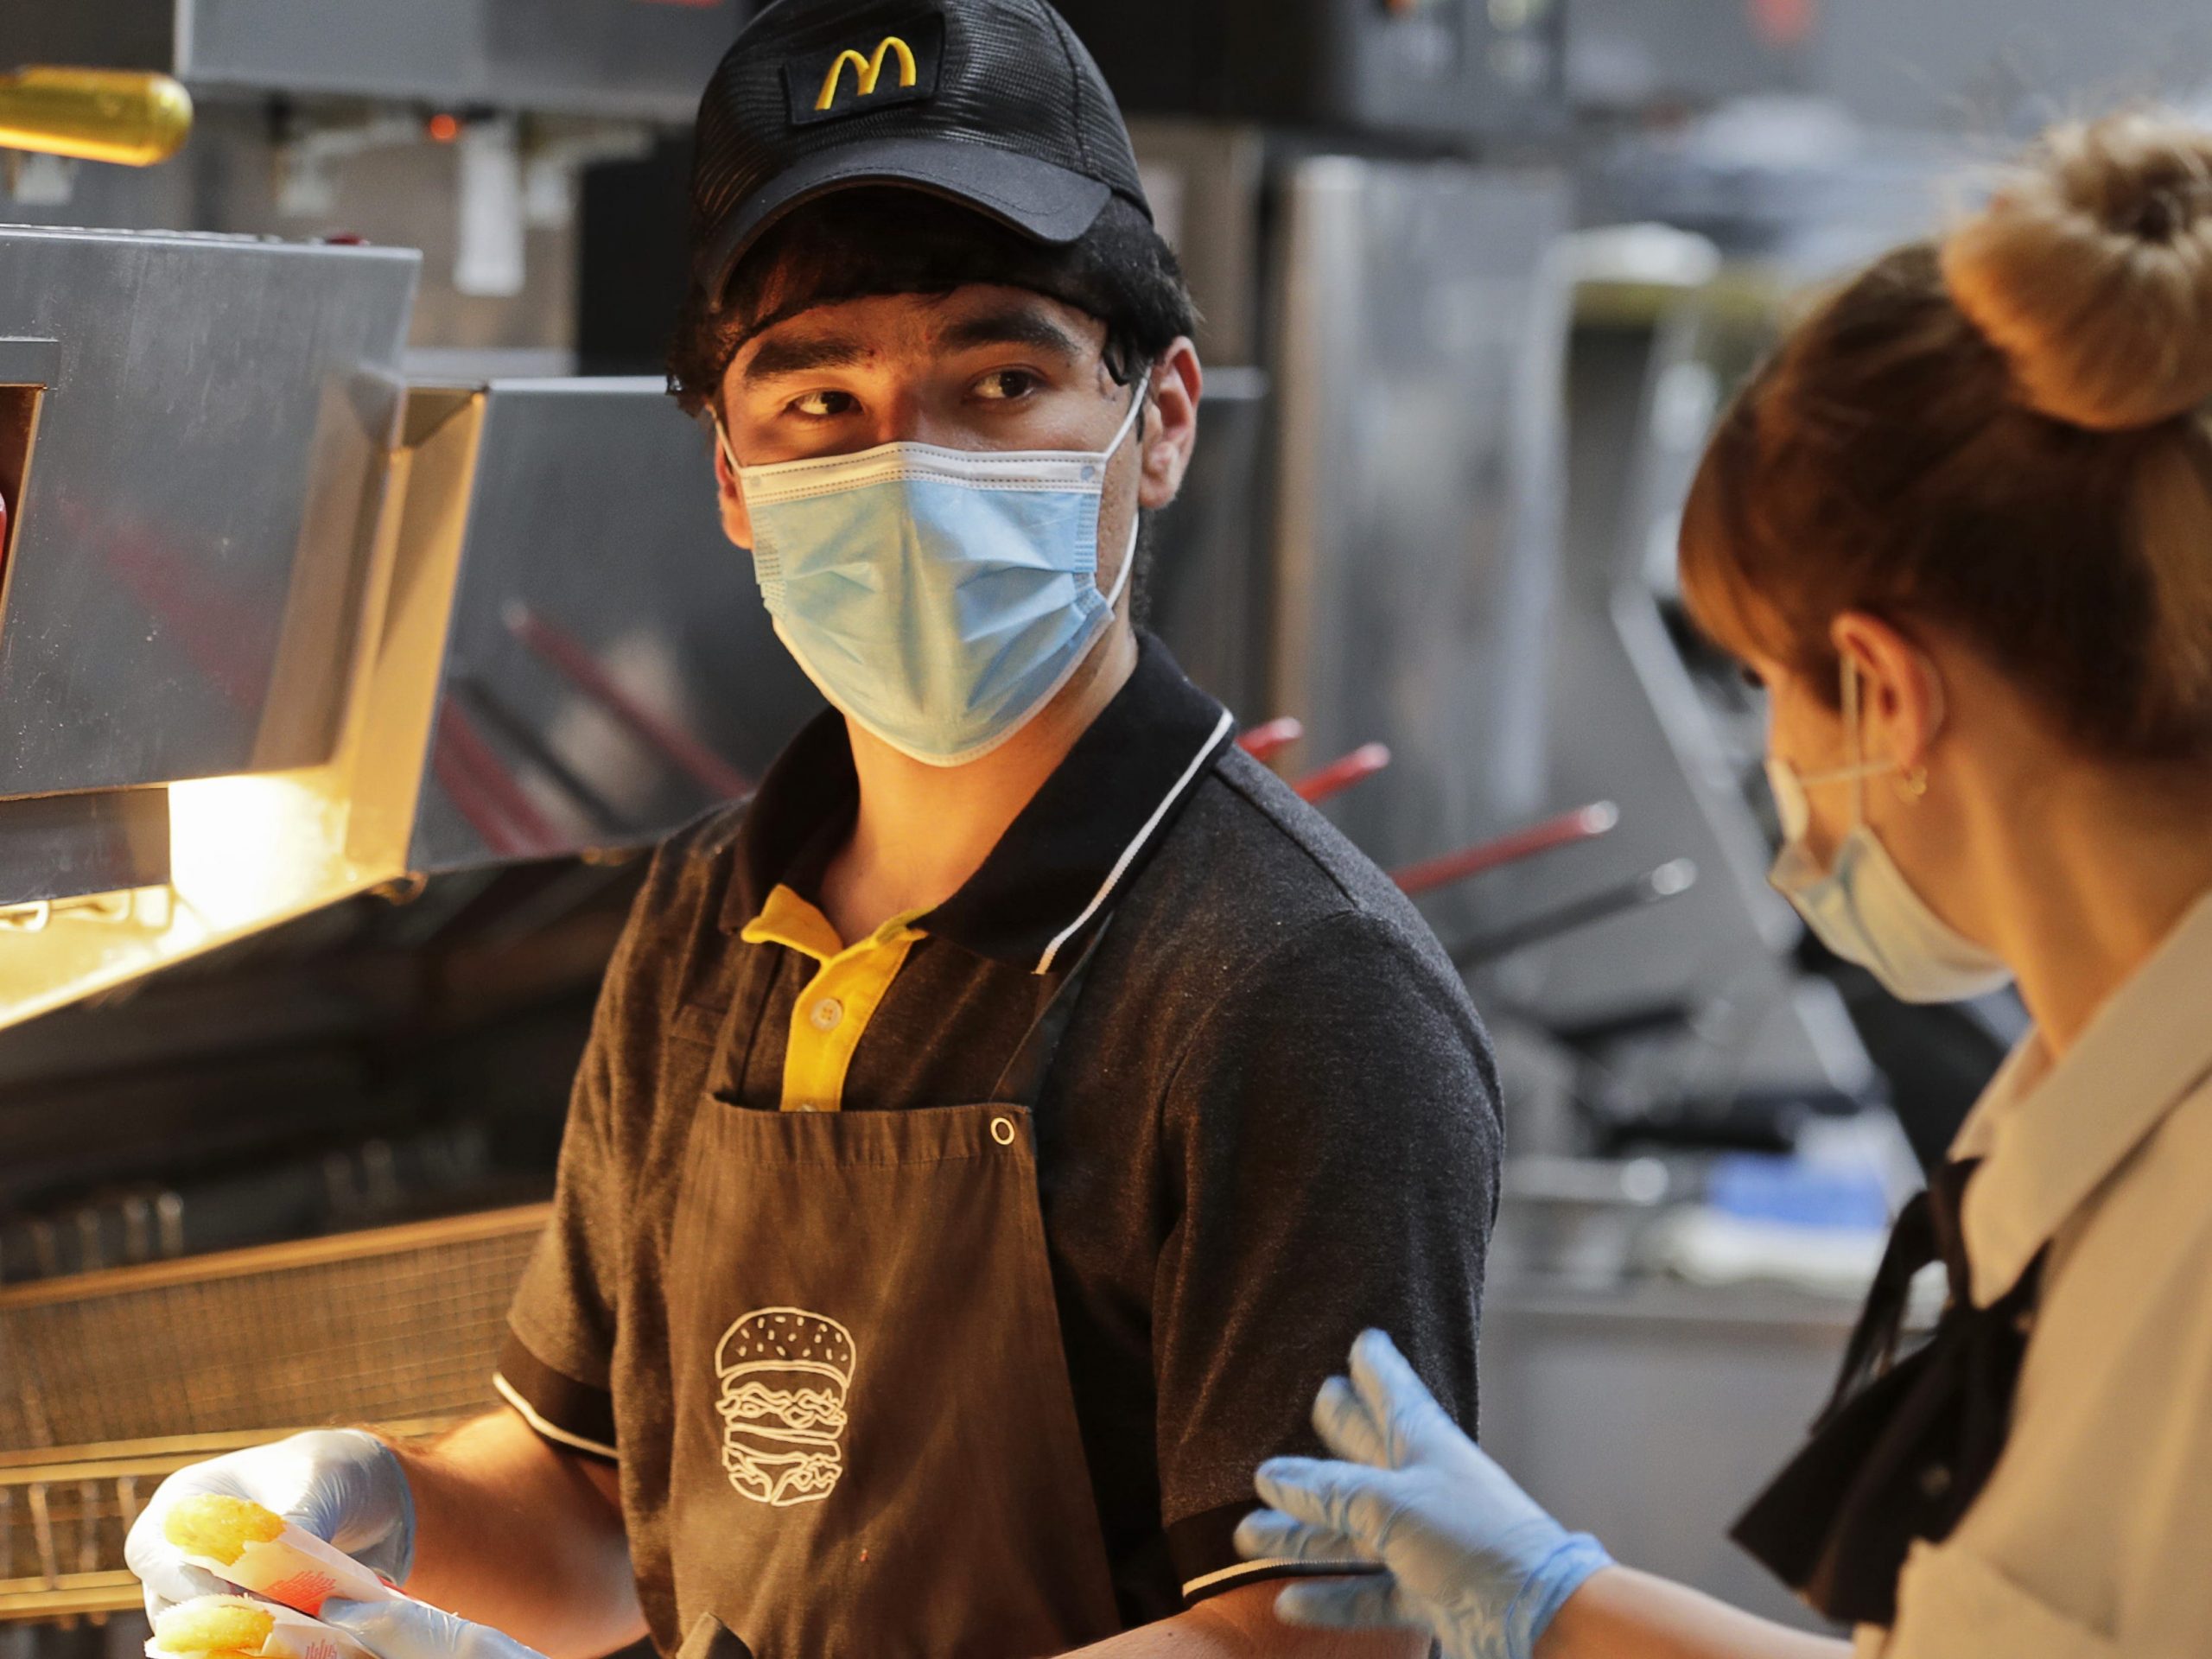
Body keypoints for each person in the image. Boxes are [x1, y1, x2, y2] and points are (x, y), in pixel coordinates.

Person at [125, 2, 1502, 1656]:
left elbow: (1317, 1634)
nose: (911, 465)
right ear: (727, 474)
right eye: (820, 402)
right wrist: (375, 1514)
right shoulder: (710, 913)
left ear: (1164, 424)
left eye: (1001, 381)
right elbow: (587, 1510)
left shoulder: (1296, 987)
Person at [1236, 111, 2212, 1659]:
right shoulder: (2084, 1098)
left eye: (1763, 681)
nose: (1766, 757)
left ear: (1885, 694)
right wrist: (1558, 1605)